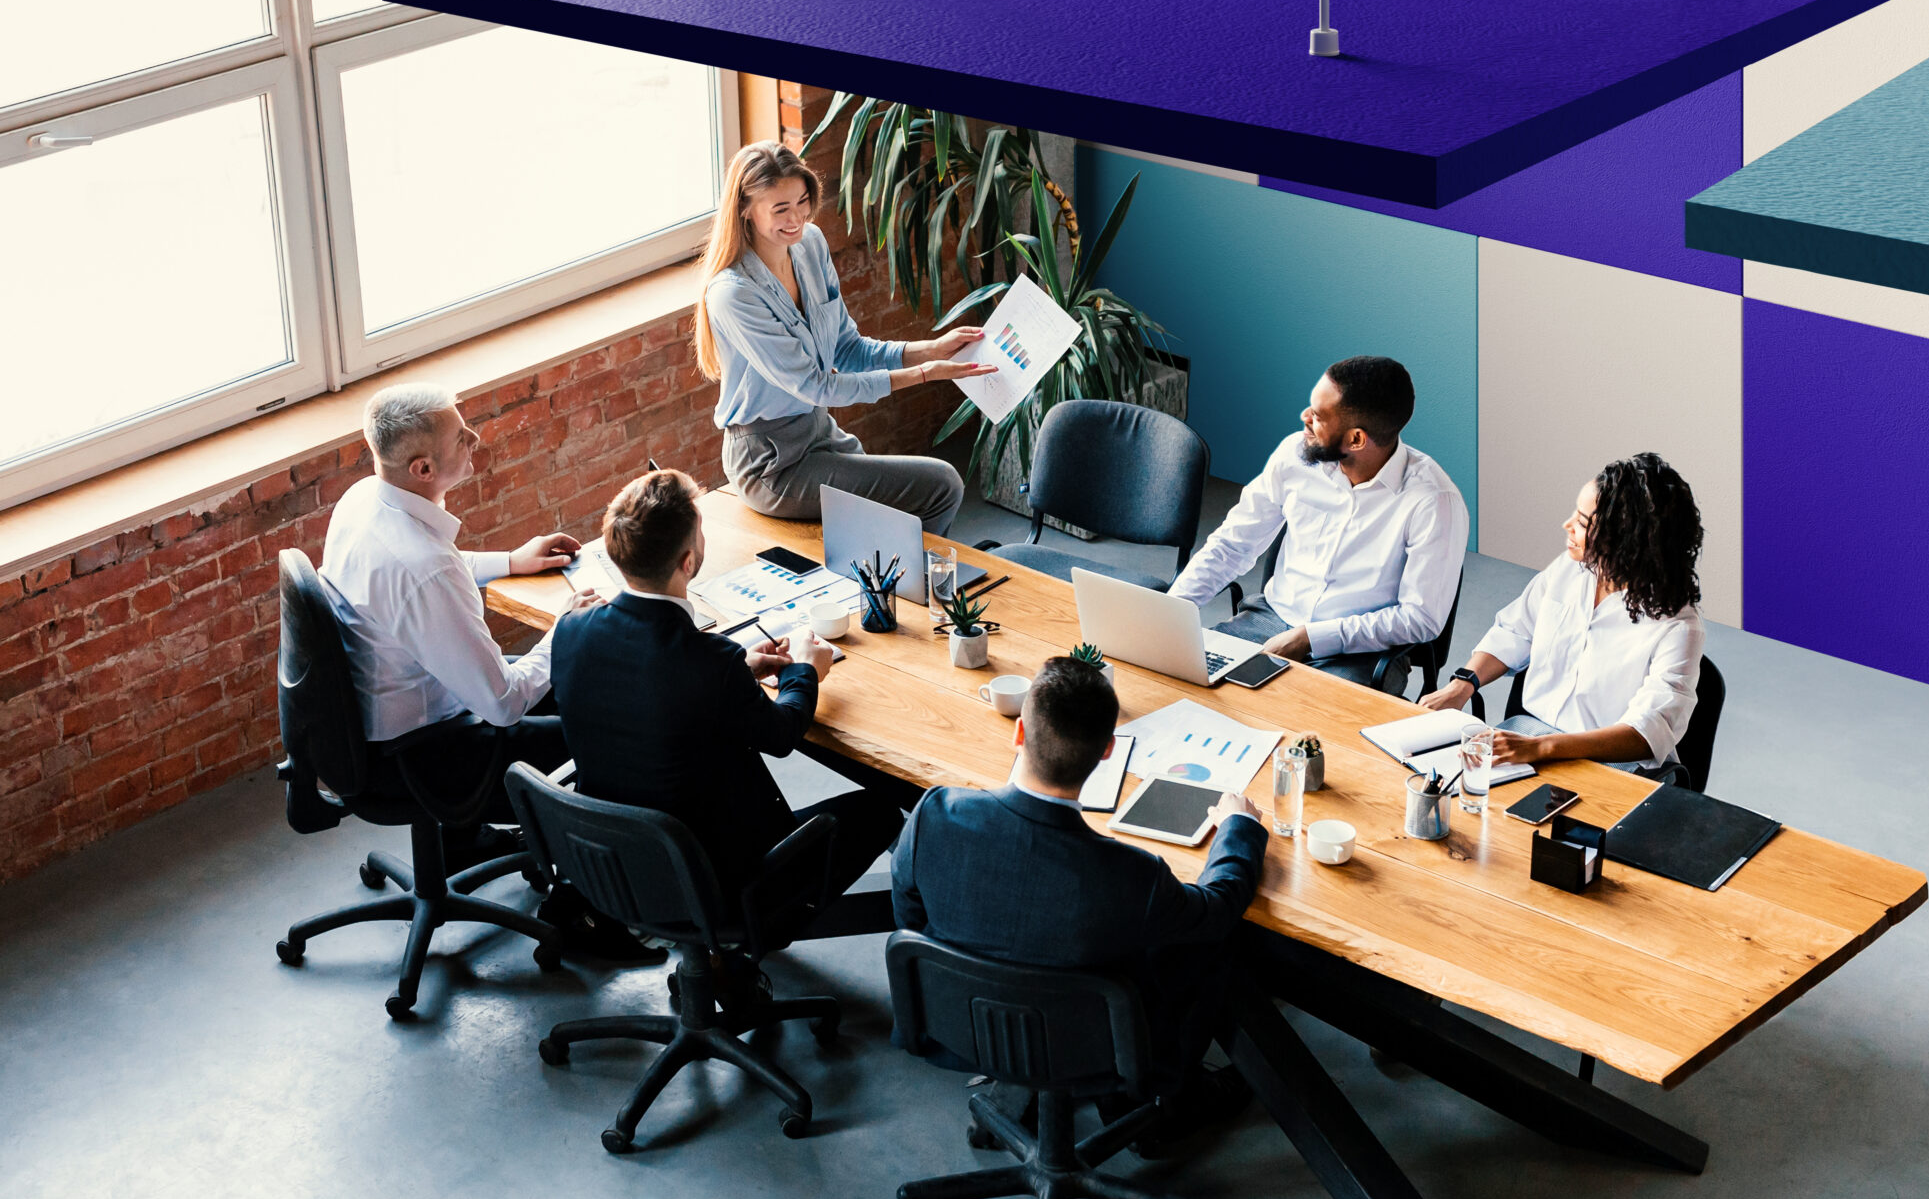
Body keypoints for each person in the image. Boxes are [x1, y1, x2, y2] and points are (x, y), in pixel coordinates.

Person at [318, 383, 651, 962]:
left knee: (574, 680)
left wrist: (509, 562)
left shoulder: (366, 498)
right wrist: (565, 627)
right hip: (424, 755)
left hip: (373, 726)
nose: (474, 437)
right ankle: (583, 912)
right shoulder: (420, 570)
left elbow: (429, 568)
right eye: (459, 436)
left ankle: (465, 839)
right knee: (615, 730)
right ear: (423, 467)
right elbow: (501, 704)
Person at [890, 655, 1265, 1143]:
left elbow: (909, 918)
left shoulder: (935, 812)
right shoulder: (1132, 874)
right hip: (1093, 1048)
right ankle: (1171, 1106)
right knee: (1208, 945)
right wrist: (1239, 828)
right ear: (1108, 750)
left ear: (1020, 733)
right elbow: (1216, 908)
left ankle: (1019, 1077)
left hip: (959, 1025)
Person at [547, 469, 908, 911]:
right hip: (721, 878)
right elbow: (780, 735)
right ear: (688, 562)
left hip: (622, 863)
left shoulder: (571, 630)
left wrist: (741, 668)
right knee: (882, 809)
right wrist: (804, 670)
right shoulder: (709, 661)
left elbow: (654, 685)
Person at [697, 141, 996, 533]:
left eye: (802, 202)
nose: (797, 218)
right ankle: (907, 587)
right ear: (745, 210)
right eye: (780, 209)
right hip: (771, 462)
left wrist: (931, 349)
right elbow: (814, 385)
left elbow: (847, 348)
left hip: (819, 432)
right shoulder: (734, 293)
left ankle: (897, 584)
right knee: (941, 485)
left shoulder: (810, 245)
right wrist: (923, 375)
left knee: (899, 507)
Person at [1168, 356, 1468, 686]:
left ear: (1356, 439)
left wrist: (1310, 637)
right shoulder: (1294, 456)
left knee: (1306, 728)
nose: (1304, 418)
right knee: (1185, 681)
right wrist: (1169, 610)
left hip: (1363, 654)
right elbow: (1232, 546)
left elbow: (1420, 619)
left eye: (1319, 417)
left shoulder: (1433, 501)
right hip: (1270, 620)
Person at [1417, 453, 1705, 775]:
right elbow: (1515, 631)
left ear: (1628, 540)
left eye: (1582, 522)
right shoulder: (1570, 568)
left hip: (1610, 765)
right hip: (1528, 734)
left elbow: (1648, 730)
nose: (1567, 525)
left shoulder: (1679, 627)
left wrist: (1542, 748)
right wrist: (1461, 685)